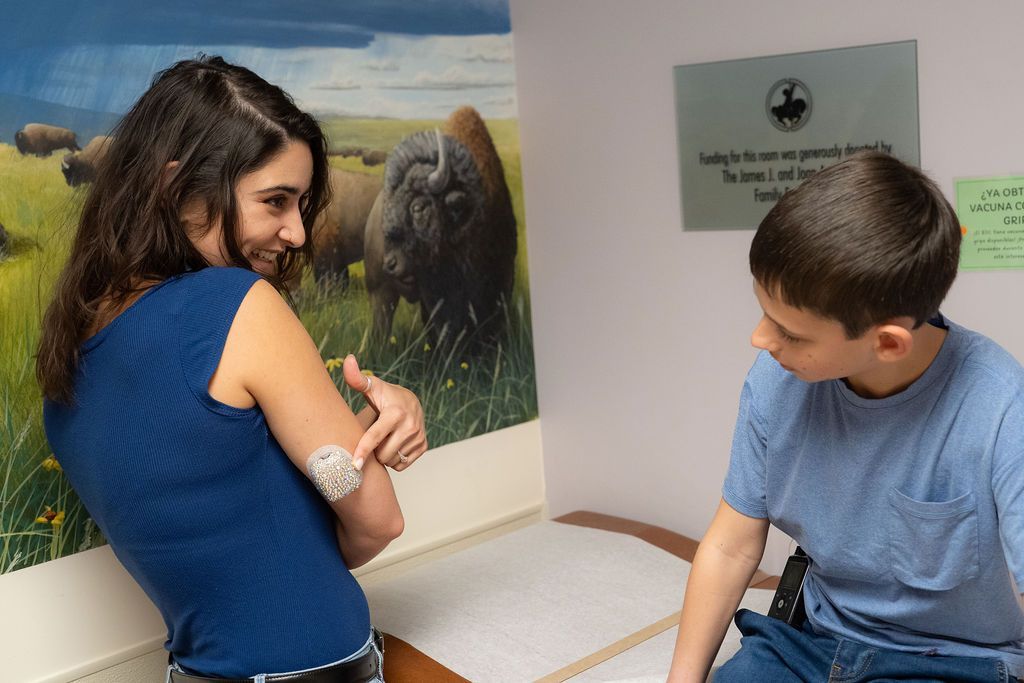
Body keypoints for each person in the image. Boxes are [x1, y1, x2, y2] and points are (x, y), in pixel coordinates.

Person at [36, 56, 427, 682]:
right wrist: (373, 442)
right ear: (175, 187)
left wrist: (368, 429)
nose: (297, 232)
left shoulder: (72, 349)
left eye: (301, 204)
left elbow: (247, 521)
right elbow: (374, 525)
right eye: (274, 201)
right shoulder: (237, 306)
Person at [668, 151, 1024, 682]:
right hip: (814, 643)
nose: (760, 340)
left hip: (956, 661)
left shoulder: (1001, 407)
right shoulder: (777, 382)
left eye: (790, 332)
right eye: (765, 313)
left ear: (886, 343)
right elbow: (731, 542)